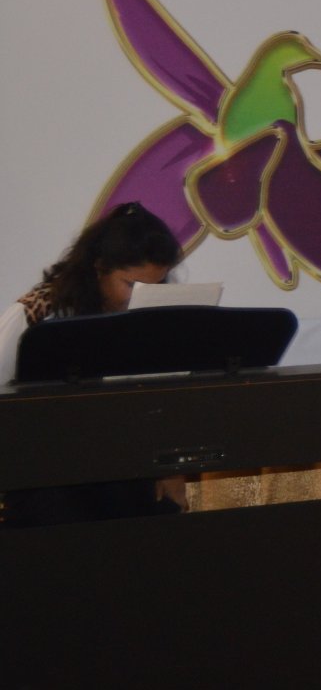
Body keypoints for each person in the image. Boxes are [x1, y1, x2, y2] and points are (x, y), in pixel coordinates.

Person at [2, 202, 187, 524]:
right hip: (48, 485)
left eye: (155, 285)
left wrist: (172, 470)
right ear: (98, 268)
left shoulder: (153, 320)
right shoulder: (37, 314)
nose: (140, 297)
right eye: (131, 285)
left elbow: (162, 405)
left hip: (126, 479)